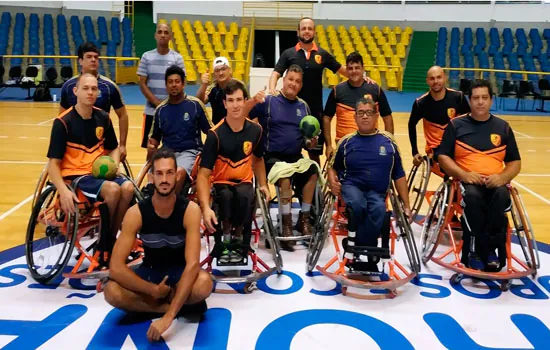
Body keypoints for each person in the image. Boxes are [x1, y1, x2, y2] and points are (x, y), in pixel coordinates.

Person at [104, 148, 213, 343]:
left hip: (179, 274)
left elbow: (192, 265)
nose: (164, 179)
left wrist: (167, 319)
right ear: (151, 177)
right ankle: (177, 306)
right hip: (151, 271)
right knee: (111, 291)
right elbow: (116, 267)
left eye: (169, 173)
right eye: (159, 173)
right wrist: (151, 290)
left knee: (204, 284)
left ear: (176, 175)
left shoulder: (190, 210)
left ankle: (148, 308)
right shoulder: (136, 213)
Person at [47, 73, 135, 257]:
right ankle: (104, 246)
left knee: (127, 188)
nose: (90, 92)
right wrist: (62, 190)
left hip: (97, 175)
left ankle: (108, 240)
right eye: (86, 88)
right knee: (112, 190)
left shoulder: (103, 117)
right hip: (76, 177)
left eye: (94, 89)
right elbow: (53, 165)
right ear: (75, 91)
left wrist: (113, 163)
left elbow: (114, 149)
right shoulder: (63, 122)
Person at [437, 79, 521, 271]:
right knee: (474, 198)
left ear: (491, 100)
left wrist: (502, 177)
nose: (480, 102)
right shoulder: (456, 125)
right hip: (467, 183)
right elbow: (442, 157)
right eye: (476, 98)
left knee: (500, 197)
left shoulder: (503, 127)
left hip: (495, 182)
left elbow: (515, 162)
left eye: (484, 98)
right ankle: (473, 250)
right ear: (470, 100)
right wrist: (463, 175)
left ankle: (492, 250)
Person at [328, 98, 411, 272]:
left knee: (379, 210)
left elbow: (399, 174)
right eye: (361, 113)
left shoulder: (388, 142)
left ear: (376, 116)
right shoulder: (346, 141)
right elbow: (332, 168)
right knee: (358, 205)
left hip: (377, 191)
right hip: (352, 185)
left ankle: (359, 246)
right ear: (355, 117)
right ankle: (365, 249)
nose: (365, 117)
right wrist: (332, 181)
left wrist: (407, 205)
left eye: (368, 113)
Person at [197, 80, 270, 263]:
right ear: (224, 103)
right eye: (231, 100)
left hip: (244, 183)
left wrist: (263, 185)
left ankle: (239, 239)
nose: (235, 105)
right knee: (226, 197)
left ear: (245, 101)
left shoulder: (256, 130)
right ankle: (225, 238)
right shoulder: (215, 135)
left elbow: (259, 160)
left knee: (246, 194)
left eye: (239, 100)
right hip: (222, 184)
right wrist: (205, 208)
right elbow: (203, 174)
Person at [250, 64, 319, 251]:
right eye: (290, 79)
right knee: (285, 176)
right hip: (272, 158)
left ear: (301, 85)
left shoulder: (303, 107)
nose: (293, 84)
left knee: (313, 171)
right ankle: (286, 224)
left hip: (295, 158)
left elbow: (306, 141)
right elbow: (247, 114)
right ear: (284, 80)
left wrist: (310, 144)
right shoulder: (269, 101)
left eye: (297, 82)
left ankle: (304, 219)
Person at [269, 17, 347, 164]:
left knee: (314, 154)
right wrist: (272, 89)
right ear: (298, 31)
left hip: (314, 113)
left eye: (309, 28)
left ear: (314, 32)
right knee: (289, 149)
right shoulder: (288, 53)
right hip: (291, 111)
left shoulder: (322, 54)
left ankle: (315, 184)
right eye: (303, 28)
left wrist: (362, 77)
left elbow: (342, 70)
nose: (306, 31)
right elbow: (276, 73)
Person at [147, 65, 212, 194]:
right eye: (170, 82)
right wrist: (150, 152)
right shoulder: (160, 110)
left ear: (183, 84)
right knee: (152, 177)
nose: (174, 85)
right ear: (166, 85)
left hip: (190, 152)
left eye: (177, 81)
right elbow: (154, 140)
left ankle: (170, 204)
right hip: (167, 153)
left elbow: (211, 132)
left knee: (178, 173)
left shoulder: (195, 105)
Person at [60, 42, 129, 159]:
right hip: (75, 147)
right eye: (89, 57)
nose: (93, 60)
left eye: (96, 57)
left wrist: (122, 145)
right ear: (80, 61)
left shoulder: (109, 86)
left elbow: (123, 115)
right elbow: (62, 118)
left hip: (102, 146)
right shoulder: (68, 86)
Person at [324, 51, 394, 158]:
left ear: (363, 69)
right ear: (346, 70)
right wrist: (328, 145)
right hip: (344, 147)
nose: (354, 71)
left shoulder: (375, 89)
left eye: (357, 68)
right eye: (350, 68)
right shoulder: (337, 90)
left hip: (371, 145)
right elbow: (326, 118)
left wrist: (389, 143)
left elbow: (387, 118)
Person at [408, 66, 470, 168]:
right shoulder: (420, 103)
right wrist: (414, 152)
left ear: (445, 78)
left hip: (455, 144)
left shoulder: (458, 97)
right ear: (427, 81)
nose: (436, 81)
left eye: (439, 77)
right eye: (432, 78)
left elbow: (469, 121)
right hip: (435, 148)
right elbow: (411, 125)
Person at [138, 23, 186, 151]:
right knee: (150, 149)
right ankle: (149, 172)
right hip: (151, 112)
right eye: (160, 32)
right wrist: (156, 103)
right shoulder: (146, 57)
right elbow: (142, 83)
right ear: (155, 35)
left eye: (166, 32)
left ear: (170, 36)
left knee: (173, 148)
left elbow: (181, 83)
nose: (162, 35)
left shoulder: (177, 58)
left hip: (172, 111)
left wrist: (167, 106)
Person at [196, 56, 244, 125]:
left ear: (230, 70)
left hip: (237, 129)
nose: (221, 73)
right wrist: (204, 85)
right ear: (214, 74)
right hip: (218, 130)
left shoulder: (240, 86)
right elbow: (199, 101)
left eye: (223, 69)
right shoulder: (212, 88)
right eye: (217, 70)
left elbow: (250, 109)